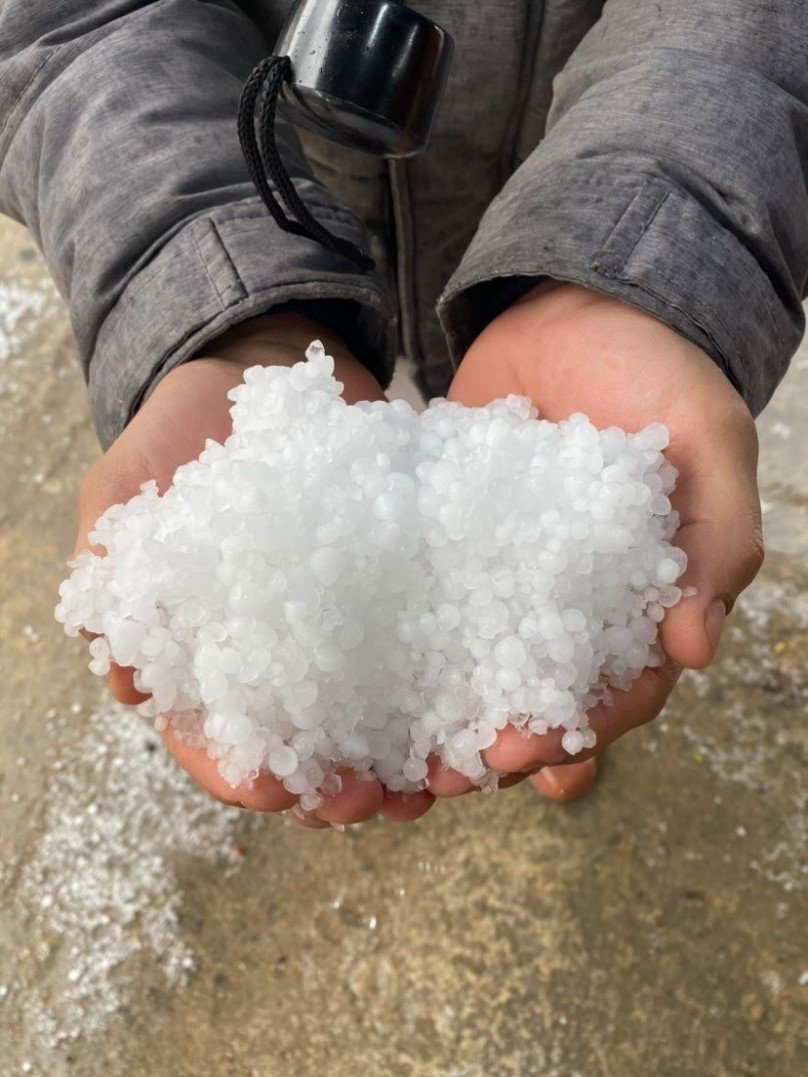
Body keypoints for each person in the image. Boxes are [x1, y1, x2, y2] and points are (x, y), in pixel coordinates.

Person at [2, 1, 802, 827]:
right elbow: (66, 22)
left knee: (509, 395)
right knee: (498, 421)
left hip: (584, 166)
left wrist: (652, 236)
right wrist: (205, 271)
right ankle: (543, 676)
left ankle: (553, 692)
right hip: (293, 164)